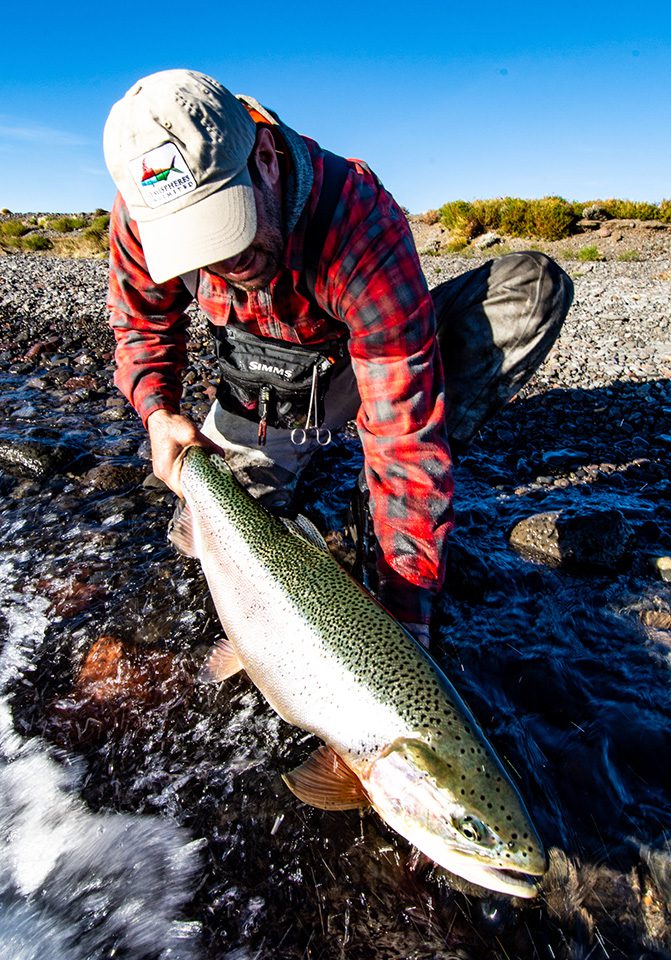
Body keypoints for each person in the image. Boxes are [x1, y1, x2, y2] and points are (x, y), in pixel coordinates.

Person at [103, 69, 573, 650]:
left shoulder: (359, 220)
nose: (226, 262)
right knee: (209, 544)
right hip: (266, 386)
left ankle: (371, 501)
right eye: (201, 246)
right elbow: (142, 322)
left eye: (231, 227)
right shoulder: (143, 212)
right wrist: (158, 412)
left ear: (267, 158)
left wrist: (407, 607)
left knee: (531, 287)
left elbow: (404, 427)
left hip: (360, 359)